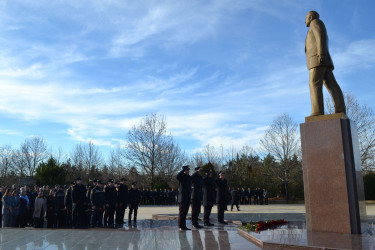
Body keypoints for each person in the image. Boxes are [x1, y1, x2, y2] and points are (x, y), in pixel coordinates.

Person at [305, 10, 346, 116]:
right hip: (321, 59)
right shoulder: (316, 24)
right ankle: (340, 109)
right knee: (330, 84)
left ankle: (317, 111)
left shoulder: (315, 23)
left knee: (314, 83)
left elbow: (320, 37)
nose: (304, 21)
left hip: (317, 59)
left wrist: (321, 54)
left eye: (306, 18)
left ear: (310, 17)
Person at [176, 165, 192, 230]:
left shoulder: (189, 177)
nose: (188, 171)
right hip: (182, 198)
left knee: (185, 212)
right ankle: (180, 226)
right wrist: (183, 170)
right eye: (187, 170)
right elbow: (177, 176)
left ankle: (184, 226)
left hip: (187, 197)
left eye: (188, 170)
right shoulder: (181, 176)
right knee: (182, 213)